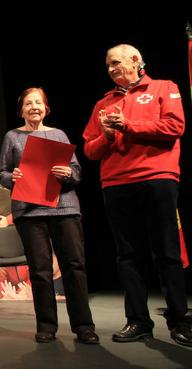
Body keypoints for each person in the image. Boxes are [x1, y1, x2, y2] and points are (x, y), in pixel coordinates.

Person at [83, 44, 191, 346]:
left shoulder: (163, 88)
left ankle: (180, 321)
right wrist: (106, 135)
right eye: (108, 65)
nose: (111, 68)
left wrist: (128, 126)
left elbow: (174, 126)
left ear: (135, 60)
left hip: (157, 178)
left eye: (116, 62)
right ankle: (138, 321)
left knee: (167, 252)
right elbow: (90, 150)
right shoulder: (103, 103)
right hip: (116, 183)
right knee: (128, 255)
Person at [0, 87, 98, 344]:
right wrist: (13, 178)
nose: (34, 107)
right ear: (21, 109)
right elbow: (3, 173)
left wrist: (68, 174)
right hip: (29, 212)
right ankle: (46, 326)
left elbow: (76, 170)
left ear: (46, 108)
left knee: (74, 266)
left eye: (39, 103)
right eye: (28, 103)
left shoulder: (59, 134)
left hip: (63, 207)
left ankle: (84, 326)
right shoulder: (12, 137)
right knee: (40, 270)